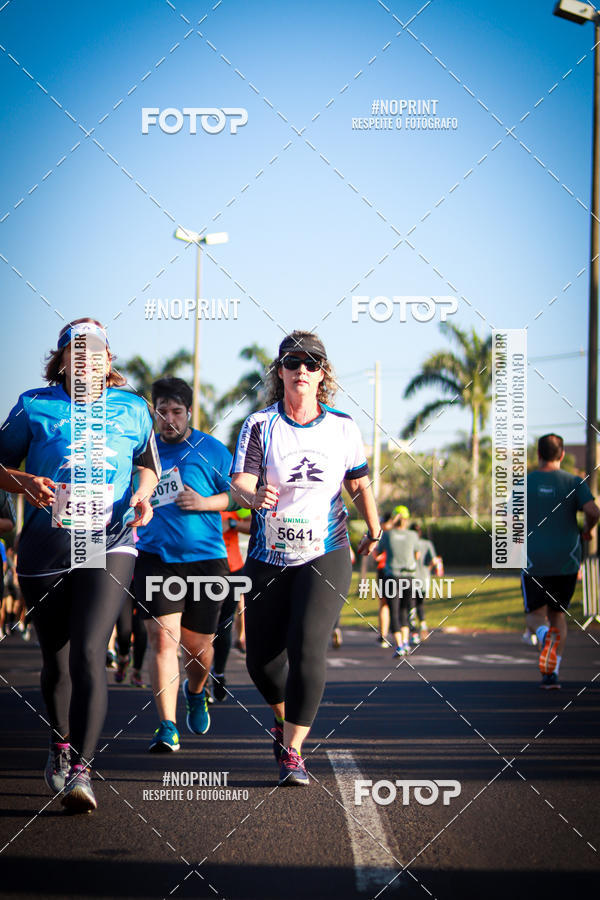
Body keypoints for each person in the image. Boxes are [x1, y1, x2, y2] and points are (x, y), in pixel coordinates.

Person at [0, 317, 160, 812]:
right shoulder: (35, 405)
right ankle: (60, 742)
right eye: (77, 350)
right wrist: (25, 483)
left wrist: (144, 497)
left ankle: (82, 771)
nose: (87, 358)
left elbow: (149, 466)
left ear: (108, 360)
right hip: (48, 545)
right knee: (57, 658)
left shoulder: (133, 409)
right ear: (63, 358)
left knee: (90, 649)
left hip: (107, 541)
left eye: (97, 351)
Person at [231, 330, 380, 787]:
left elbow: (357, 483)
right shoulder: (260, 424)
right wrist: (255, 495)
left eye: (311, 364)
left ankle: (293, 750)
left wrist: (374, 527)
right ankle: (281, 719)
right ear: (280, 371)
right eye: (293, 363)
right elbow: (240, 481)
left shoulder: (343, 426)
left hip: (326, 551)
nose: (302, 370)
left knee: (307, 644)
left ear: (322, 374)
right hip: (268, 554)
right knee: (261, 660)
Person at [134, 376, 233, 751]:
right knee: (162, 640)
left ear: (189, 412)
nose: (169, 419)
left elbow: (239, 495)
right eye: (162, 412)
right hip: (157, 558)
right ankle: (167, 726)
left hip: (207, 561)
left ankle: (196, 690)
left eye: (177, 411)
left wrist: (204, 503)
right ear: (155, 412)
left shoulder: (212, 450)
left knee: (197, 648)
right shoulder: (144, 454)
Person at [522, 433, 599, 689]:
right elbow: (593, 511)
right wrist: (588, 529)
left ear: (538, 454)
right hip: (566, 561)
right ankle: (551, 674)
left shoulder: (525, 483)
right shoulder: (575, 482)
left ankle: (543, 638)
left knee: (535, 617)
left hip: (534, 560)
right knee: (558, 615)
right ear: (562, 454)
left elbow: (509, 521)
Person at [209, 509, 252, 701]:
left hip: (232, 569)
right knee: (200, 629)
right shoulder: (193, 492)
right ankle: (199, 682)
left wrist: (233, 524)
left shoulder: (233, 496)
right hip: (201, 569)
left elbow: (254, 524)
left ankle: (218, 673)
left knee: (223, 627)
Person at [375, 506, 419, 657]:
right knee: (404, 611)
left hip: (392, 576)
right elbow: (417, 555)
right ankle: (406, 643)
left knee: (393, 611)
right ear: (406, 520)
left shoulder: (387, 535)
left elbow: (378, 552)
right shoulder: (413, 535)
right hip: (410, 578)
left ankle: (399, 645)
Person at [409, 522, 436, 644]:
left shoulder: (408, 543)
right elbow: (434, 560)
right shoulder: (427, 543)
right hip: (424, 578)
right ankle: (423, 625)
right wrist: (428, 569)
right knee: (420, 603)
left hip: (411, 578)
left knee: (410, 607)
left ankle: (414, 633)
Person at [373, 512, 393, 646]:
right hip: (399, 573)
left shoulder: (383, 536)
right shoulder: (403, 535)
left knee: (385, 604)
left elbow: (376, 556)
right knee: (388, 604)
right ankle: (385, 634)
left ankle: (384, 635)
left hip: (385, 571)